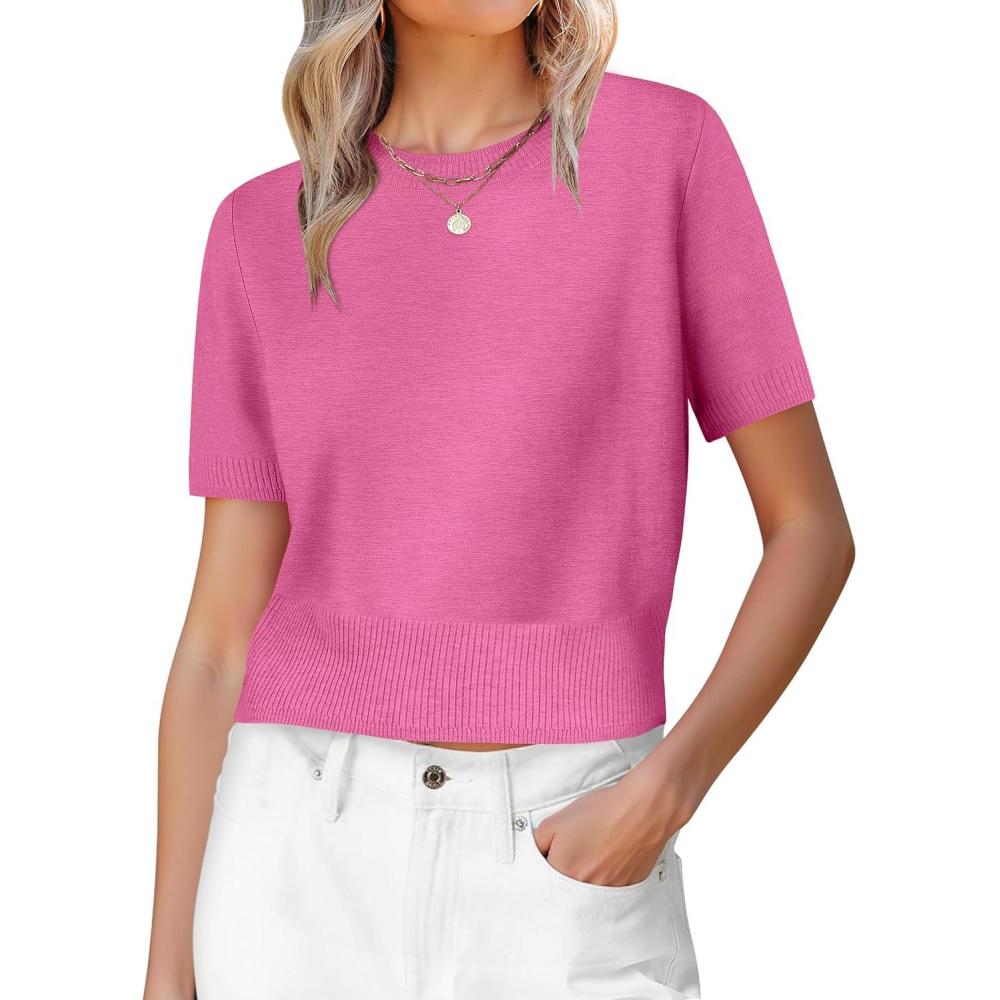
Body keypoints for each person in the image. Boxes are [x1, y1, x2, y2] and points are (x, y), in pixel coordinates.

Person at [142, 1, 855, 997]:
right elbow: (219, 640)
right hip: (294, 858)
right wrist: (167, 967)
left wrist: (667, 789)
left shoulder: (666, 152)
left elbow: (811, 530)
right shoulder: (263, 229)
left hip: (570, 846)